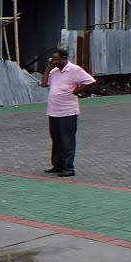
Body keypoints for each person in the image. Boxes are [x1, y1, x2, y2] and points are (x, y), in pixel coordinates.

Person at [41, 48, 96, 177]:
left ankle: (68, 167)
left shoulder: (74, 70)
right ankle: (57, 165)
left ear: (64, 58)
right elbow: (44, 84)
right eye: (52, 59)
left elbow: (90, 81)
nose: (54, 62)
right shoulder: (54, 72)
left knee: (67, 140)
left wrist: (78, 90)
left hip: (67, 112)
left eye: (56, 59)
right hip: (53, 111)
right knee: (56, 139)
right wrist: (48, 68)